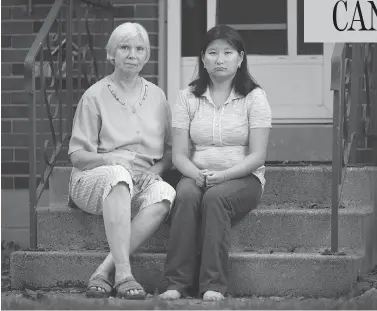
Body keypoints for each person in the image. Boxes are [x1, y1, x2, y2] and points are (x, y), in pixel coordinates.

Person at [159, 24, 272, 301]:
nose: (220, 59)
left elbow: (258, 156)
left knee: (215, 200)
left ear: (240, 58)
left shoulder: (255, 98)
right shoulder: (187, 97)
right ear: (203, 58)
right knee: (184, 195)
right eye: (213, 53)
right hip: (197, 175)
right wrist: (197, 175)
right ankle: (176, 283)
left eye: (227, 52)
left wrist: (222, 177)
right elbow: (179, 156)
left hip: (243, 179)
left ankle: (213, 284)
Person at [68, 22, 176, 300]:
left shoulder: (158, 97)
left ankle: (104, 270)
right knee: (117, 174)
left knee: (166, 193)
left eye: (139, 48)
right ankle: (125, 274)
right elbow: (77, 156)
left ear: (147, 56)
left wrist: (156, 169)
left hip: (138, 181)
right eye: (124, 48)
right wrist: (110, 158)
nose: (132, 54)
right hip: (94, 180)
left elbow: (169, 151)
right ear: (111, 55)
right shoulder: (94, 96)